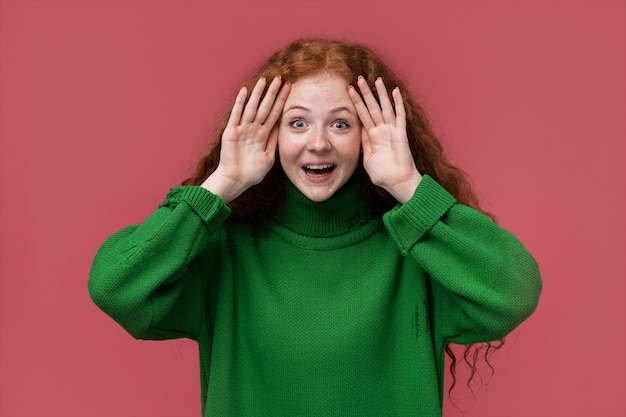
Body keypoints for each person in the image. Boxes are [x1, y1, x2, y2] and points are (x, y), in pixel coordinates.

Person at [89, 38, 542, 417]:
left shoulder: (416, 245)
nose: (318, 142)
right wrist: (221, 185)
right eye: (298, 122)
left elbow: (513, 291)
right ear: (268, 134)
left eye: (341, 123)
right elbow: (117, 287)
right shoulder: (225, 247)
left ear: (373, 134)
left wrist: (409, 186)